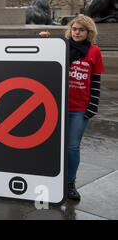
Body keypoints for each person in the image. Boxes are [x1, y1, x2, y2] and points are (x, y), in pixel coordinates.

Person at [40, 14, 105, 201]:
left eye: (81, 29)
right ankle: (49, 179)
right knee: (49, 144)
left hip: (79, 108)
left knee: (72, 147)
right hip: (56, 105)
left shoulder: (94, 51)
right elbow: (42, 58)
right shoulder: (61, 46)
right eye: (74, 29)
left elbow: (95, 81)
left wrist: (92, 106)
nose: (77, 32)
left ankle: (70, 183)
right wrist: (43, 40)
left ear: (89, 32)